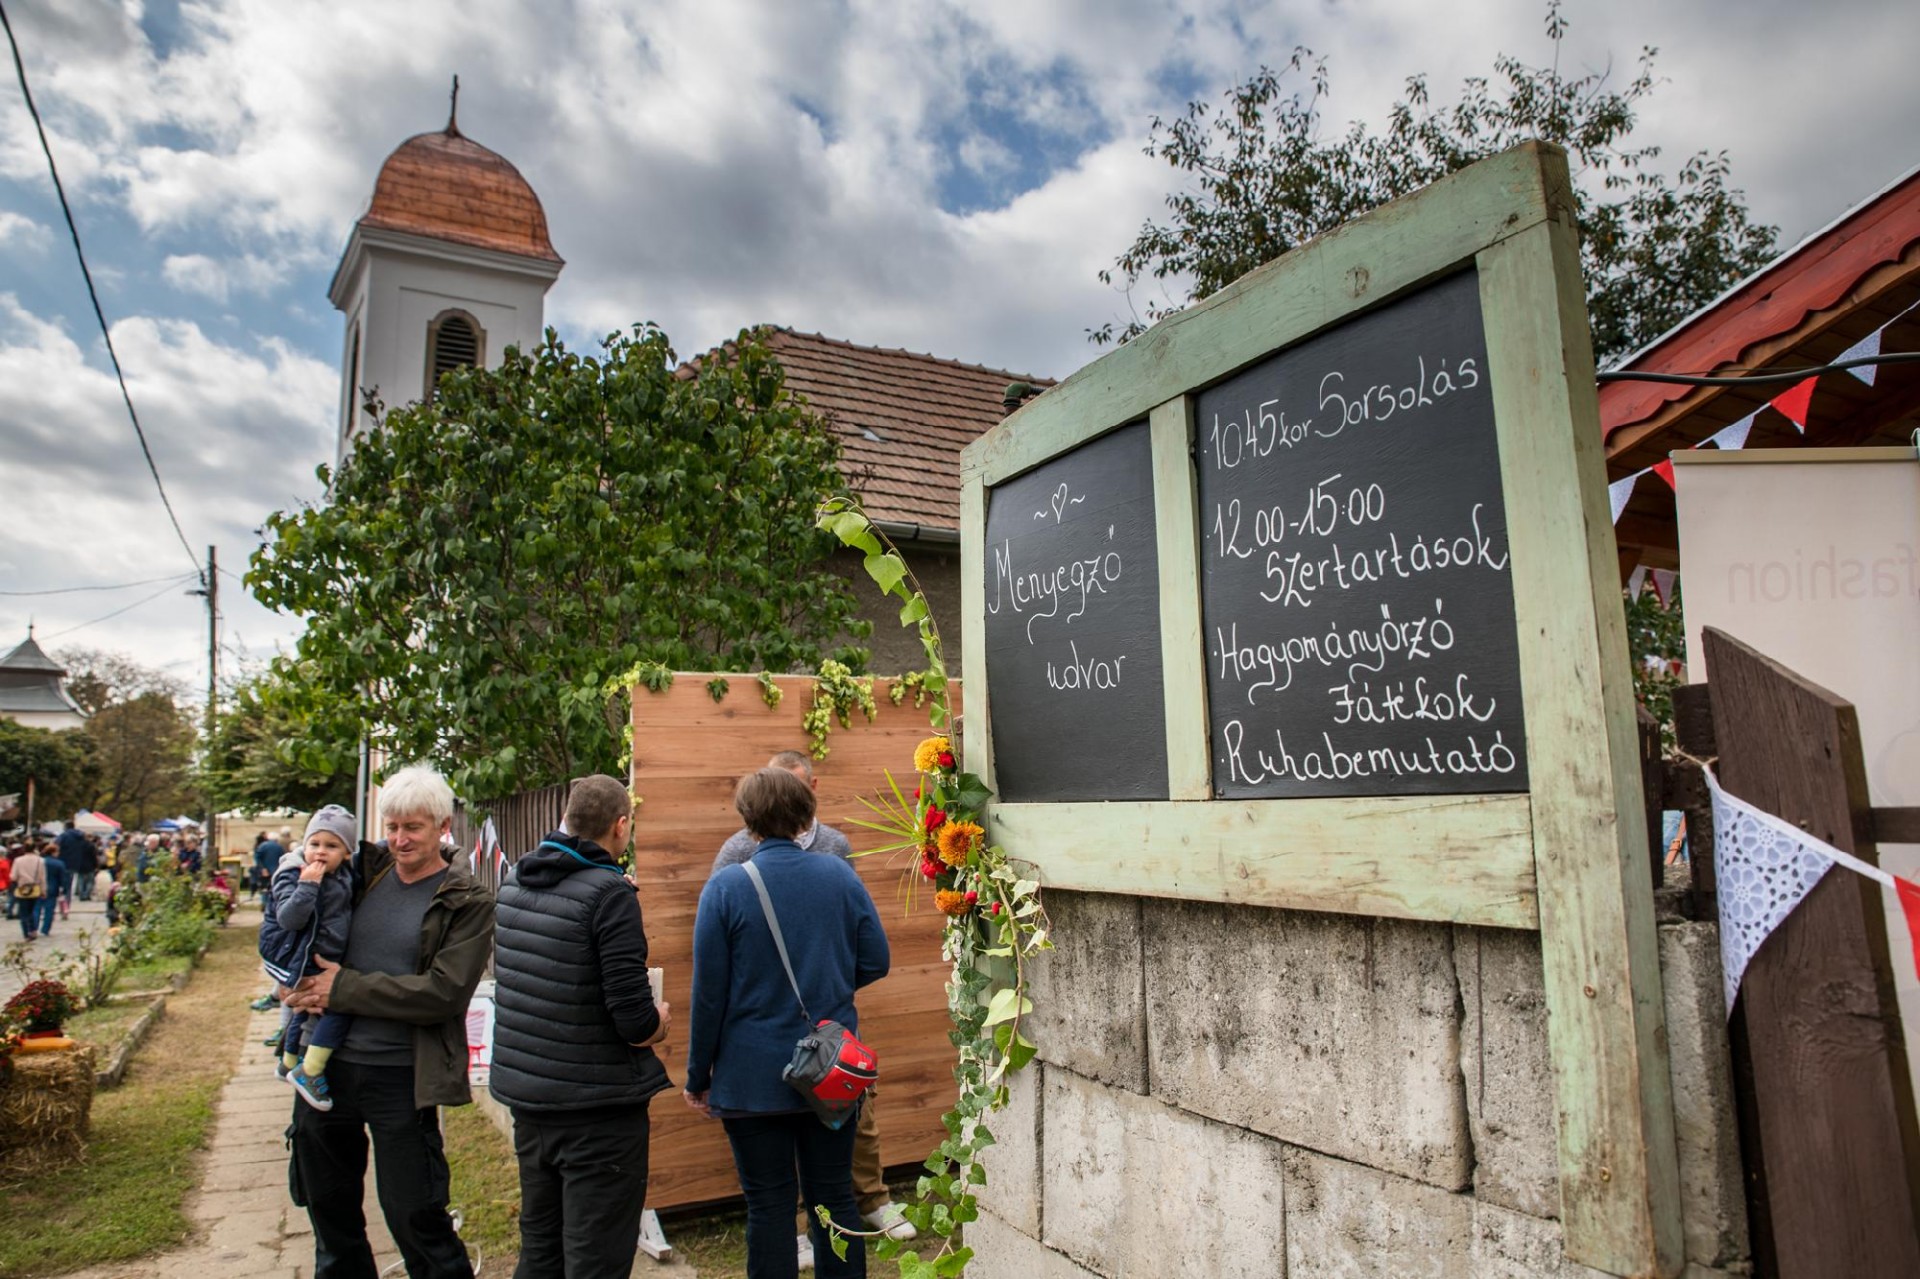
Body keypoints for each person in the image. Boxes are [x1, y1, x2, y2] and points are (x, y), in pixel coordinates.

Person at [282, 766, 491, 1279]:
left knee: (415, 1215)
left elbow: (443, 993)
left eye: (412, 828)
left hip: (400, 1075)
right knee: (330, 1216)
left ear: (443, 826)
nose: (399, 839)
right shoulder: (362, 873)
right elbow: (299, 921)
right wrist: (288, 983)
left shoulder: (467, 900)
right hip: (325, 1072)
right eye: (391, 826)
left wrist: (343, 987)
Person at [710, 752, 915, 1264]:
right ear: (806, 808)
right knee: (834, 1197)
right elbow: (876, 959)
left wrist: (698, 1073)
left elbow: (713, 984)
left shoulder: (732, 881)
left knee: (768, 1206)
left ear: (748, 815)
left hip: (754, 1066)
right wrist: (829, 989)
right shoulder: (831, 872)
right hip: (829, 1055)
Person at [490, 774, 673, 1279]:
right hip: (597, 1115)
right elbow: (633, 1020)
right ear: (620, 826)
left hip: (533, 1105)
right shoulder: (609, 896)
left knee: (541, 1248)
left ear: (566, 820)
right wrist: (659, 1022)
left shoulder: (514, 883)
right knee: (595, 1257)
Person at [264, 807, 360, 1111]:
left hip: (323, 954)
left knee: (303, 1013)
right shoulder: (293, 873)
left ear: (346, 853)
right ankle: (310, 1070)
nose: (320, 852)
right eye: (314, 844)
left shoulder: (345, 874)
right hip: (300, 954)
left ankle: (288, 1061)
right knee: (338, 1008)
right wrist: (308, 886)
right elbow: (289, 919)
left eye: (332, 846)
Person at [11, 842, 46, 940]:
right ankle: (33, 930)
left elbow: (13, 877)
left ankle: (26, 933)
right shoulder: (40, 861)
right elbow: (42, 878)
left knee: (23, 912)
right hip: (35, 889)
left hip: (22, 889)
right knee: (33, 911)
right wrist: (43, 890)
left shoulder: (18, 860)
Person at [57, 821, 96, 902]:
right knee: (72, 881)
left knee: (64, 882)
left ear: (66, 827)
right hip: (76, 862)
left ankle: (65, 898)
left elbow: (57, 845)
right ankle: (68, 899)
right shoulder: (81, 836)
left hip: (64, 861)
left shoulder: (64, 836)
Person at [38, 840, 69, 934]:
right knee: (49, 910)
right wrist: (64, 889)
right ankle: (45, 929)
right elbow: (63, 878)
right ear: (53, 852)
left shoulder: (40, 862)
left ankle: (34, 927)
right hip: (53, 888)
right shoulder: (59, 863)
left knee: (36, 908)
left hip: (39, 888)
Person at [254, 828, 287, 898]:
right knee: (274, 888)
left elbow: (257, 857)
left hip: (265, 871)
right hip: (276, 871)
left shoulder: (262, 846)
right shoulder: (279, 847)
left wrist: (262, 868)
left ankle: (264, 903)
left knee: (264, 889)